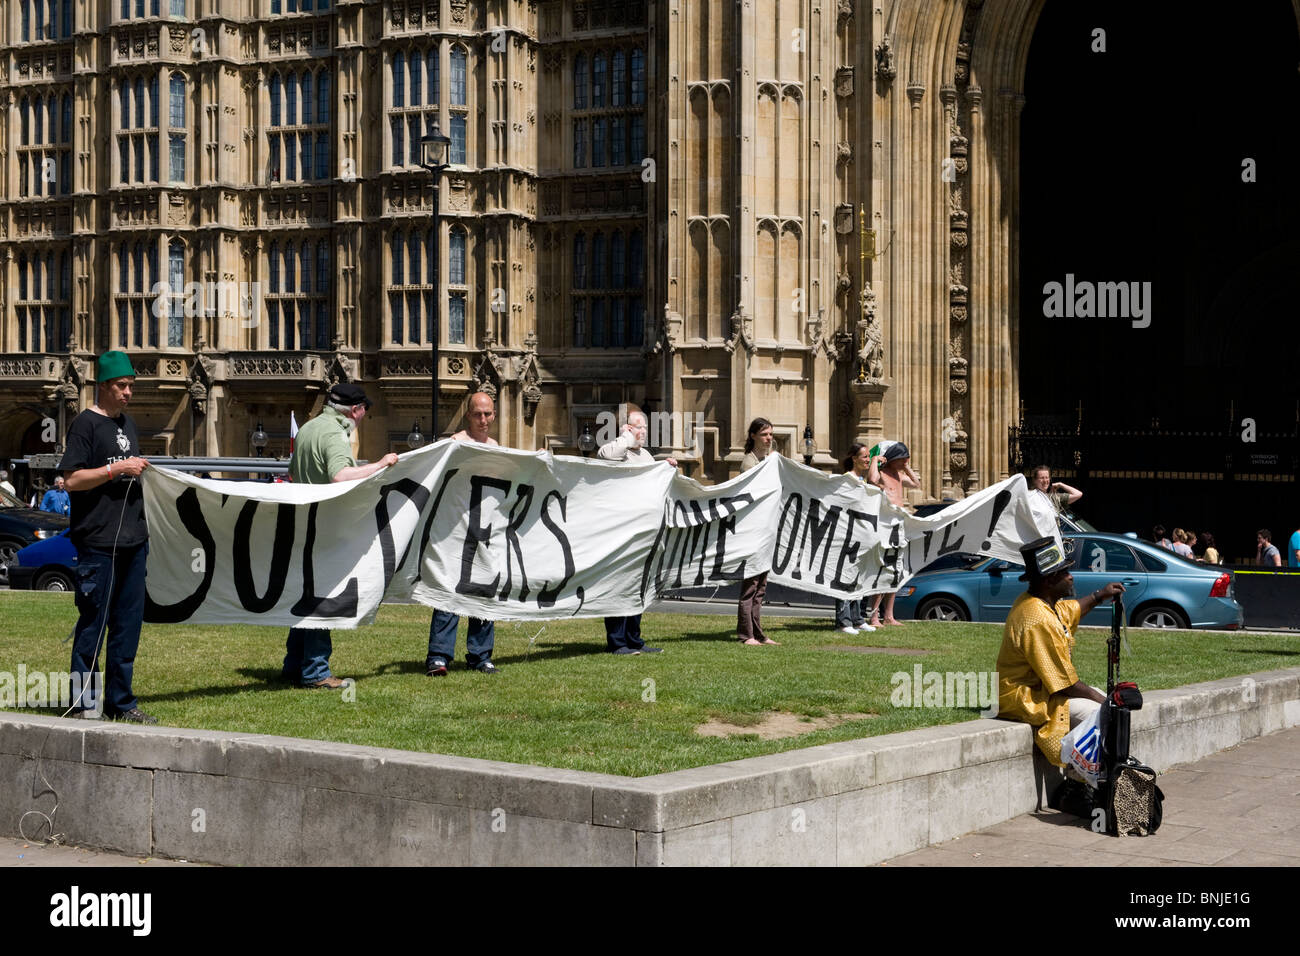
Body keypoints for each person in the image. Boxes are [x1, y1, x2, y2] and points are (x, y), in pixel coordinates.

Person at [59, 351, 155, 722]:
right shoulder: (86, 425)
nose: (128, 393)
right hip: (98, 544)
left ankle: (121, 702)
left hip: (134, 541)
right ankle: (82, 703)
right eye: (122, 386)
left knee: (127, 628)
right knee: (93, 626)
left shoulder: (128, 424)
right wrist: (117, 469)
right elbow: (72, 480)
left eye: (131, 386)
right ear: (103, 386)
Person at [283, 382, 398, 689]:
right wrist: (380, 465)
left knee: (306, 597)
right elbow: (340, 475)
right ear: (356, 410)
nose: (362, 420)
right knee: (323, 599)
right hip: (327, 526)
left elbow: (293, 474)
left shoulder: (308, 429)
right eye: (363, 413)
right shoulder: (335, 433)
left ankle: (294, 664)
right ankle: (316, 671)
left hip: (304, 523)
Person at [996, 536, 1125, 770]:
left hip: (1044, 691)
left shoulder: (1042, 604)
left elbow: (1069, 611)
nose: (1071, 576)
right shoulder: (1037, 619)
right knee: (1100, 713)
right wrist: (1106, 703)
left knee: (1100, 701)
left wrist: (1098, 596)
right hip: (1026, 697)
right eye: (1064, 573)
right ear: (1048, 580)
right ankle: (1079, 783)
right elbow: (1065, 685)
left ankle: (1095, 776)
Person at [427, 392, 503, 675]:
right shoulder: (455, 444)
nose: (483, 420)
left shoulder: (496, 447)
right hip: (455, 530)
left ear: (494, 415)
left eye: (487, 414)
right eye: (477, 414)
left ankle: (480, 656)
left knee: (483, 591)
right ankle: (439, 656)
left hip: (485, 529)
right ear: (468, 415)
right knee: (449, 590)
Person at [597, 405, 676, 655]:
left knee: (637, 587)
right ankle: (617, 641)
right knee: (619, 586)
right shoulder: (617, 451)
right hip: (620, 532)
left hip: (643, 534)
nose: (643, 432)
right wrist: (626, 437)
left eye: (645, 428)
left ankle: (634, 638)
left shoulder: (646, 457)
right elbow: (604, 455)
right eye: (638, 427)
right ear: (626, 429)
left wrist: (665, 466)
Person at [866, 441, 920, 626]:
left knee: (896, 571)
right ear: (893, 459)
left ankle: (888, 615)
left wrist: (907, 467)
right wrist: (874, 460)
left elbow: (916, 483)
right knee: (882, 570)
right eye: (902, 459)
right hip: (885, 525)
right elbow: (871, 480)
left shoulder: (898, 474)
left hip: (898, 524)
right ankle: (874, 616)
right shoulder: (881, 473)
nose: (904, 462)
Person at [736, 418, 780, 645]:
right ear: (753, 436)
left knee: (760, 586)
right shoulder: (749, 462)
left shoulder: (765, 460)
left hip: (765, 531)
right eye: (764, 434)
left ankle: (758, 633)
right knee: (751, 585)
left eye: (771, 434)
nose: (769, 438)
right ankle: (746, 634)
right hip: (752, 532)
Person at [834, 444, 877, 636]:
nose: (867, 460)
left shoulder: (861, 480)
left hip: (860, 536)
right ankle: (843, 621)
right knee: (845, 578)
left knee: (858, 579)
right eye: (865, 457)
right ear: (854, 458)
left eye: (869, 457)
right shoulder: (847, 480)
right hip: (847, 536)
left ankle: (858, 618)